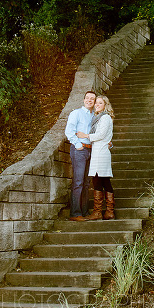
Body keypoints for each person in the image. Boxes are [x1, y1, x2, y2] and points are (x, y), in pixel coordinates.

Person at [77, 95, 115, 220]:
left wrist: (85, 135)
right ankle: (100, 212)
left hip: (101, 154)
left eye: (100, 103)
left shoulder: (105, 117)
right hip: (98, 152)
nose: (97, 104)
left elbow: (101, 134)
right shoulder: (97, 118)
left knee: (102, 180)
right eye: (96, 103)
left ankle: (107, 211)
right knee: (99, 180)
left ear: (105, 105)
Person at [64, 90, 96, 221]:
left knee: (87, 182)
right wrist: (78, 145)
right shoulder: (76, 113)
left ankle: (84, 211)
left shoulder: (95, 116)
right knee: (78, 181)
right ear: (84, 100)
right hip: (79, 150)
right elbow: (69, 131)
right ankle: (75, 213)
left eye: (92, 99)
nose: (89, 100)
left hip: (90, 150)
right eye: (87, 98)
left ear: (94, 102)